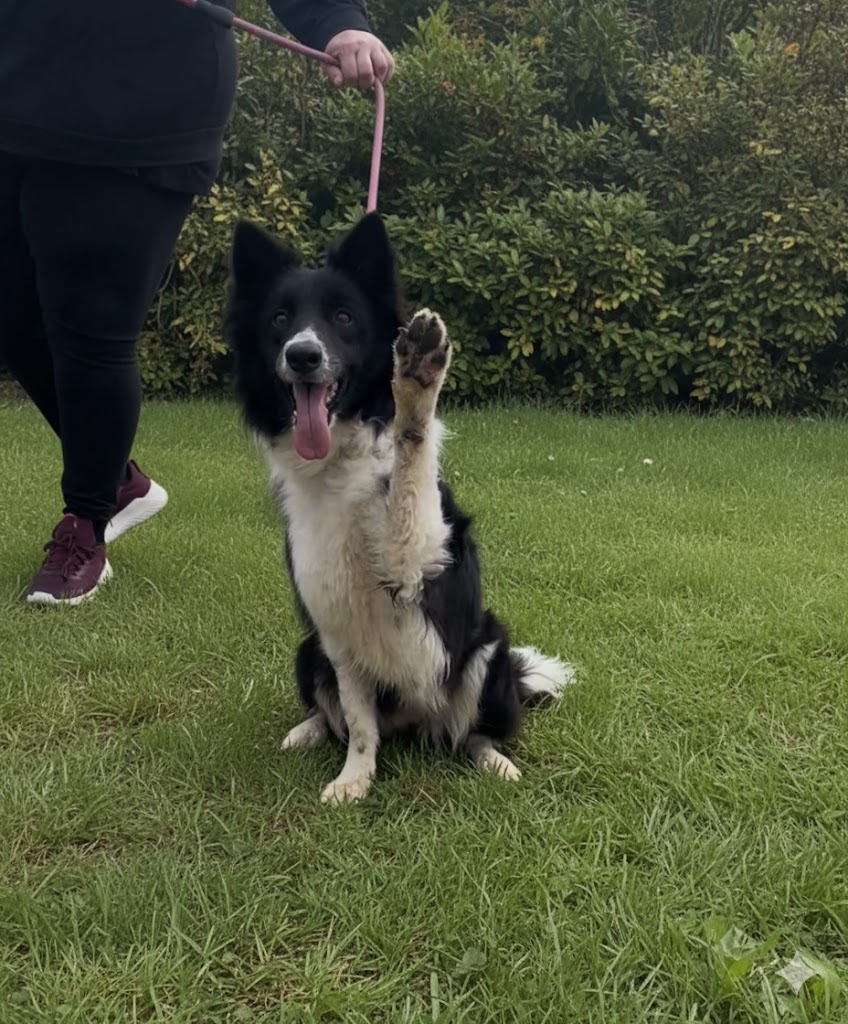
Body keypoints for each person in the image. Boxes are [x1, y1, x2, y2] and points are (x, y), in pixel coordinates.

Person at [0, 0, 394, 606]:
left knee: (91, 329)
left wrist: (337, 21)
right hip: (15, 94)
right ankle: (118, 481)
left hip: (135, 117)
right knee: (13, 319)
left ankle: (86, 520)